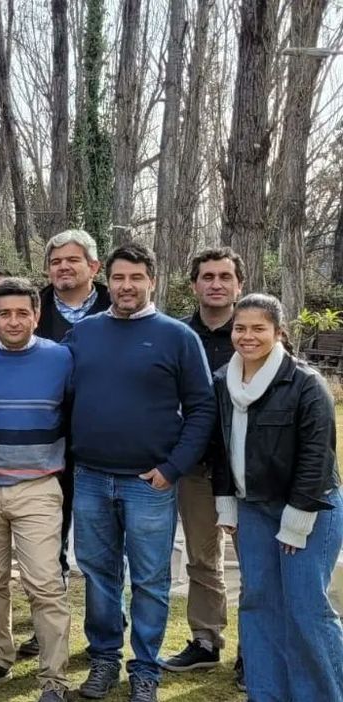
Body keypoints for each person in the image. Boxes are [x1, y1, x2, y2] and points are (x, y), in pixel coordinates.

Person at [65, 242, 215, 702]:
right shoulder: (84, 334)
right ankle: (104, 660)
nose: (126, 286)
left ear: (152, 280)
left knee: (150, 579)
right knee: (98, 573)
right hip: (90, 476)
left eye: (135, 278)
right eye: (118, 278)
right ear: (105, 280)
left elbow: (203, 407)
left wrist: (172, 468)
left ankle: (146, 669)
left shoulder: (176, 336)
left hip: (149, 483)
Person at [212, 293, 343, 702]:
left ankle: (322, 694)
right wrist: (226, 502)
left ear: (278, 332)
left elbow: (316, 458)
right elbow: (219, 449)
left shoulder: (306, 384)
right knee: (258, 605)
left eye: (258, 328)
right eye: (240, 327)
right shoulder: (222, 381)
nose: (247, 336)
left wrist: (297, 519)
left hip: (308, 510)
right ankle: (266, 693)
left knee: (306, 609)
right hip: (253, 510)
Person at [0, 278, 71, 701]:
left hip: (39, 486)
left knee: (44, 583)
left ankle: (54, 679)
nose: (13, 321)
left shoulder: (61, 358)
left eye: (21, 313)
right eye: (3, 313)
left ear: (36, 315)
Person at [24, 229, 110, 659]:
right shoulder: (31, 308)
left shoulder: (121, 306)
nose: (63, 267)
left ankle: (103, 637)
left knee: (99, 550)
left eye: (72, 260)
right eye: (56, 261)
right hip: (46, 448)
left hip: (102, 447)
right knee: (46, 547)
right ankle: (44, 631)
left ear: (93, 267)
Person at [163, 247, 244, 678]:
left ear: (238, 285)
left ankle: (254, 651)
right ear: (194, 284)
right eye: (207, 276)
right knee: (202, 558)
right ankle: (206, 639)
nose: (216, 283)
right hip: (195, 467)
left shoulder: (253, 330)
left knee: (256, 563)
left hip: (250, 468)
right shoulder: (176, 334)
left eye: (224, 276)